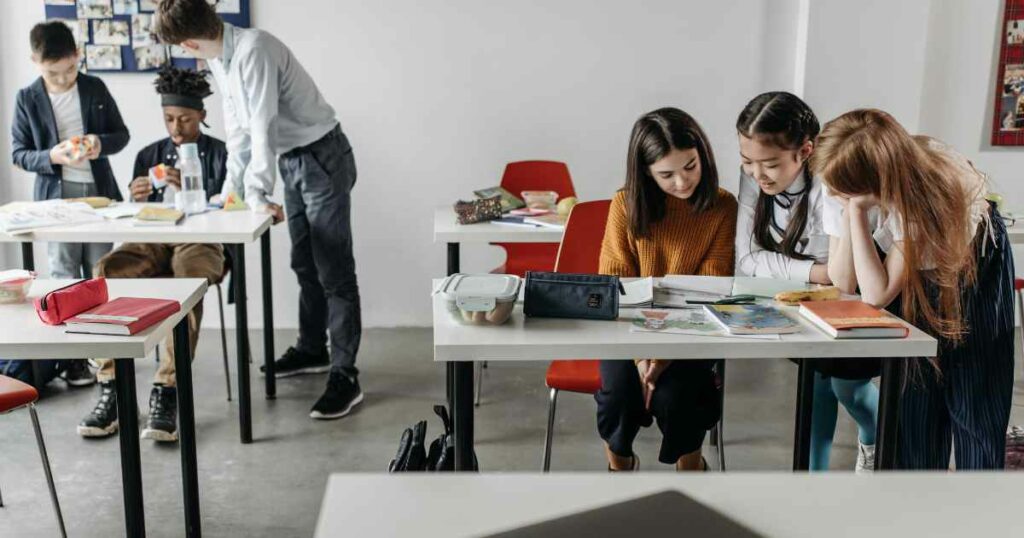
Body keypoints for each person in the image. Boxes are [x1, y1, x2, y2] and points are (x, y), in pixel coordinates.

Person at [155, 0, 363, 420]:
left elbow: (262, 122)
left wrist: (256, 191)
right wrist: (232, 191)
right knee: (303, 262)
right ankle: (312, 349)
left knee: (334, 270)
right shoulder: (220, 58)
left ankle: (346, 375)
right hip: (292, 160)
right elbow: (238, 130)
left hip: (322, 157)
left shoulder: (254, 49)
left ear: (190, 40)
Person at [812, 109, 1014, 470]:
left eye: (842, 191)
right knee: (914, 398)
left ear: (874, 183)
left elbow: (876, 295)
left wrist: (856, 212)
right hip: (915, 268)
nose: (831, 193)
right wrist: (851, 210)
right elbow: (844, 283)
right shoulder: (844, 179)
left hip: (974, 264)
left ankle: (983, 505)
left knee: (973, 397)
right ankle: (915, 503)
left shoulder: (921, 195)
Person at [77, 66, 228, 441]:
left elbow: (233, 205)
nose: (176, 128)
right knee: (107, 271)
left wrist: (199, 189)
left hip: (202, 239)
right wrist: (138, 195)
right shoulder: (149, 154)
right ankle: (111, 385)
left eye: (185, 119)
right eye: (169, 119)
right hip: (152, 235)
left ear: (202, 116)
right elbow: (132, 215)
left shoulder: (222, 153)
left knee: (188, 285)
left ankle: (168, 390)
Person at [735, 91, 879, 472]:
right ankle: (813, 482)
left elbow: (844, 277)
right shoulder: (754, 179)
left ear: (805, 151)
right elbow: (747, 260)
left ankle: (876, 439)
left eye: (769, 164)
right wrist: (816, 271)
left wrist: (808, 270)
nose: (756, 174)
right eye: (747, 161)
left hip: (859, 296)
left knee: (848, 389)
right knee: (815, 391)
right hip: (805, 300)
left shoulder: (831, 182)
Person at [598, 107, 736, 471]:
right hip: (627, 334)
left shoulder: (722, 206)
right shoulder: (624, 206)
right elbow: (616, 287)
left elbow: (710, 289)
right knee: (620, 398)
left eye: (690, 166)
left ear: (702, 155)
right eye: (666, 174)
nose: (682, 181)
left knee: (680, 398)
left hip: (692, 332)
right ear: (645, 172)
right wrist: (643, 357)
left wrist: (663, 357)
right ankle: (619, 465)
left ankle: (691, 470)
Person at [11, 21, 129, 387]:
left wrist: (98, 143)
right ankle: (73, 360)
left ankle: (103, 357)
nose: (63, 79)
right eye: (53, 72)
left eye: (70, 70)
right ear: (35, 61)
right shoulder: (27, 98)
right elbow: (20, 153)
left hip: (97, 197)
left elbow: (121, 135)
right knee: (63, 277)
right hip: (54, 201)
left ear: (78, 56)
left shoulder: (94, 87)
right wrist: (52, 156)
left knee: (98, 274)